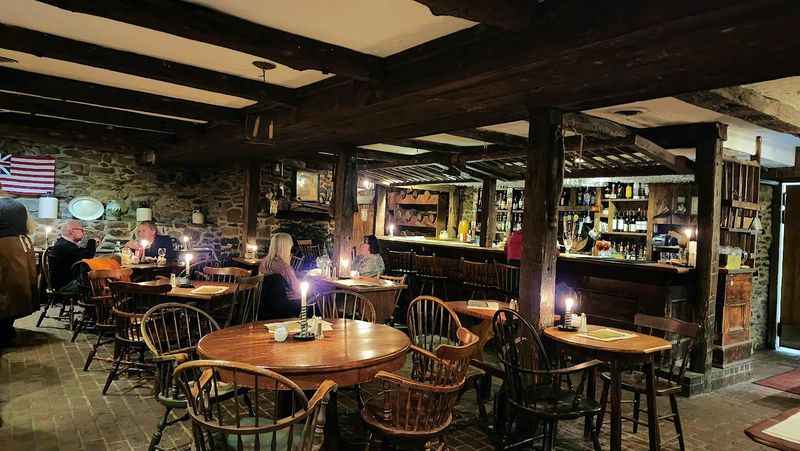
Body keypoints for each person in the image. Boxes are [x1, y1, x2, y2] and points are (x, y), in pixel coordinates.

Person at [0, 199, 37, 346]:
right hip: (20, 247)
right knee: (16, 291)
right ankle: (7, 329)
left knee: (5, 291)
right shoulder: (18, 206)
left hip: (5, 248)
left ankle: (4, 331)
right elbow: (30, 227)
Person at [49, 220, 98, 292]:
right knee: (97, 280)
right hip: (66, 285)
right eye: (81, 230)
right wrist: (93, 242)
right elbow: (87, 256)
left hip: (64, 282)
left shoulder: (63, 243)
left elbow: (81, 252)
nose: (83, 233)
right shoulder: (64, 246)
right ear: (71, 231)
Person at [258, 232, 301, 300]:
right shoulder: (285, 268)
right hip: (286, 304)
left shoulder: (264, 261)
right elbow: (298, 289)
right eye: (290, 246)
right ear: (286, 248)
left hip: (266, 302)